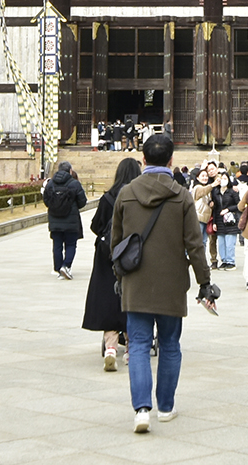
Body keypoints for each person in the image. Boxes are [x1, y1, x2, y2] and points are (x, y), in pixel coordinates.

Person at [111, 132, 217, 433]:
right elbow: (195, 244)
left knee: (140, 345)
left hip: (136, 281)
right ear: (172, 161)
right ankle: (166, 406)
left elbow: (115, 243)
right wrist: (204, 281)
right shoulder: (181, 195)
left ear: (143, 159)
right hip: (172, 282)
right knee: (170, 344)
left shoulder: (126, 193)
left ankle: (141, 410)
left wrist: (120, 276)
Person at [85, 157, 142, 371]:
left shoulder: (108, 197)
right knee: (131, 300)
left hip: (107, 255)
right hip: (132, 255)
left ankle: (110, 348)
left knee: (109, 299)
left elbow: (95, 226)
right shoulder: (139, 197)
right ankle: (129, 349)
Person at [43, 160, 87, 279]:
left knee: (57, 245)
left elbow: (46, 200)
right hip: (71, 220)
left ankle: (58, 269)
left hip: (54, 219)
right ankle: (66, 266)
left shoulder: (50, 184)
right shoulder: (74, 184)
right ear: (70, 171)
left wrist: (54, 207)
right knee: (71, 244)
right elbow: (82, 201)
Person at [212, 172, 241, 269]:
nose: (223, 180)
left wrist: (228, 209)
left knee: (229, 243)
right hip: (220, 220)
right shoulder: (216, 192)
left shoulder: (232, 191)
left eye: (225, 178)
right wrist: (214, 222)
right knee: (221, 243)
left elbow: (238, 205)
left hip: (230, 220)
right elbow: (215, 208)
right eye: (221, 178)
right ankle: (224, 260)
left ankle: (230, 261)